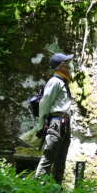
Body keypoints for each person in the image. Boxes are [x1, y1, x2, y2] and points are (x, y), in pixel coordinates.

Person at [35, 53, 74, 183]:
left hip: (64, 123)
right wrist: (40, 125)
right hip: (57, 122)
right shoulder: (54, 81)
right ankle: (37, 188)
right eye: (66, 63)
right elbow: (44, 103)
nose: (69, 66)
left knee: (61, 159)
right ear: (60, 66)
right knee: (49, 156)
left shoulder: (63, 81)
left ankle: (56, 189)